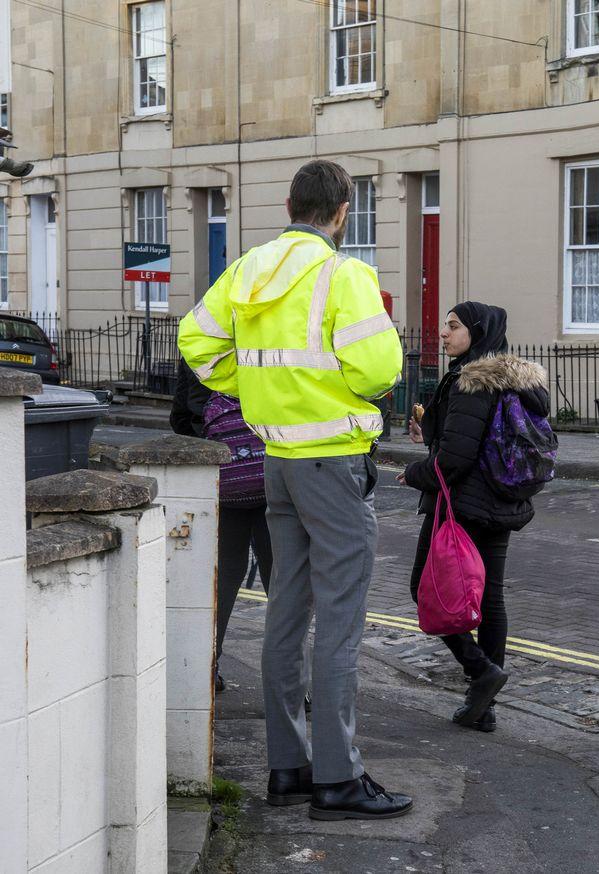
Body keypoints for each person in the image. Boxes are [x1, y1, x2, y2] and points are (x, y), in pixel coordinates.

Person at [178, 160, 412, 821]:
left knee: (285, 612)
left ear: (289, 204)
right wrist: (340, 390)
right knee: (337, 621)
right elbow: (377, 369)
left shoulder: (249, 268)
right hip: (333, 461)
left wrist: (250, 387)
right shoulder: (344, 273)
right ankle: (338, 780)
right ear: (341, 213)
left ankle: (291, 769)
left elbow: (195, 340)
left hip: (277, 457)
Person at [399, 303, 550, 731]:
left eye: (453, 327)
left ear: (477, 332)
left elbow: (454, 460)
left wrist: (414, 473)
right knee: (490, 599)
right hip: (502, 500)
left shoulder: (472, 381)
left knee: (426, 590)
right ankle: (484, 707)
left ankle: (481, 672)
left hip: (461, 505)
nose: (443, 334)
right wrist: (429, 432)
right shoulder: (517, 381)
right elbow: (473, 435)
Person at [170, 359, 273, 692]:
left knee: (222, 580)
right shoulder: (267, 334)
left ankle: (206, 670)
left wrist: (220, 451)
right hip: (272, 479)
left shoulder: (199, 342)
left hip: (222, 484)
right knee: (283, 584)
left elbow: (180, 419)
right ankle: (290, 683)